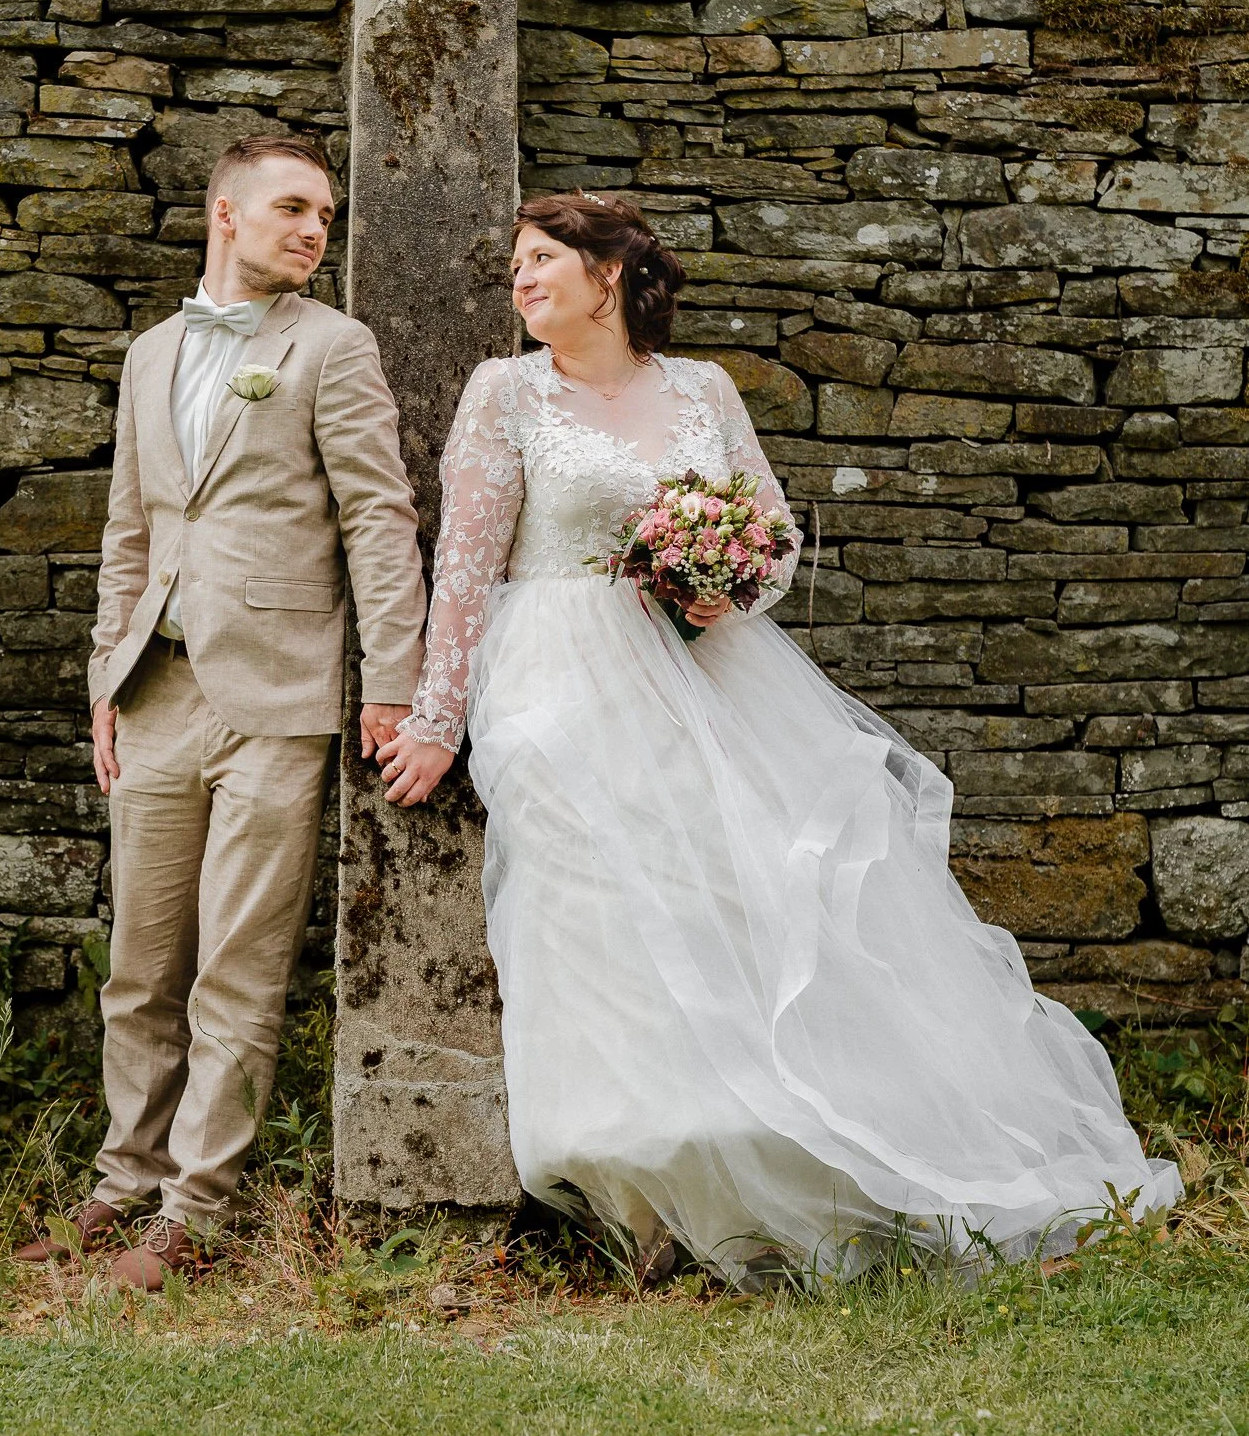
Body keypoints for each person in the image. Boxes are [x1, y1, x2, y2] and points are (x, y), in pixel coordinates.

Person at [378, 189, 1180, 1286]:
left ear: (606, 275)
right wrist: (436, 719)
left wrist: (727, 587)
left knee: (747, 892)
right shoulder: (504, 392)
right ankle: (634, 1167)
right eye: (514, 266)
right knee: (593, 899)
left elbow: (771, 528)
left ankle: (786, 1145)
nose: (519, 283)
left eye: (539, 261)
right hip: (556, 669)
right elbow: (465, 561)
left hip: (705, 669)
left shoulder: (700, 389)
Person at [19, 131, 426, 1289]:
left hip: (275, 697)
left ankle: (196, 1214)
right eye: (293, 207)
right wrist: (105, 676)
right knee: (139, 966)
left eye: (326, 217)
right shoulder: (151, 353)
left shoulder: (332, 347)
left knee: (235, 972)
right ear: (225, 215)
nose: (313, 231)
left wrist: (390, 684)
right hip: (155, 692)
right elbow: (128, 530)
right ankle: (122, 1181)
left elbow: (377, 522)